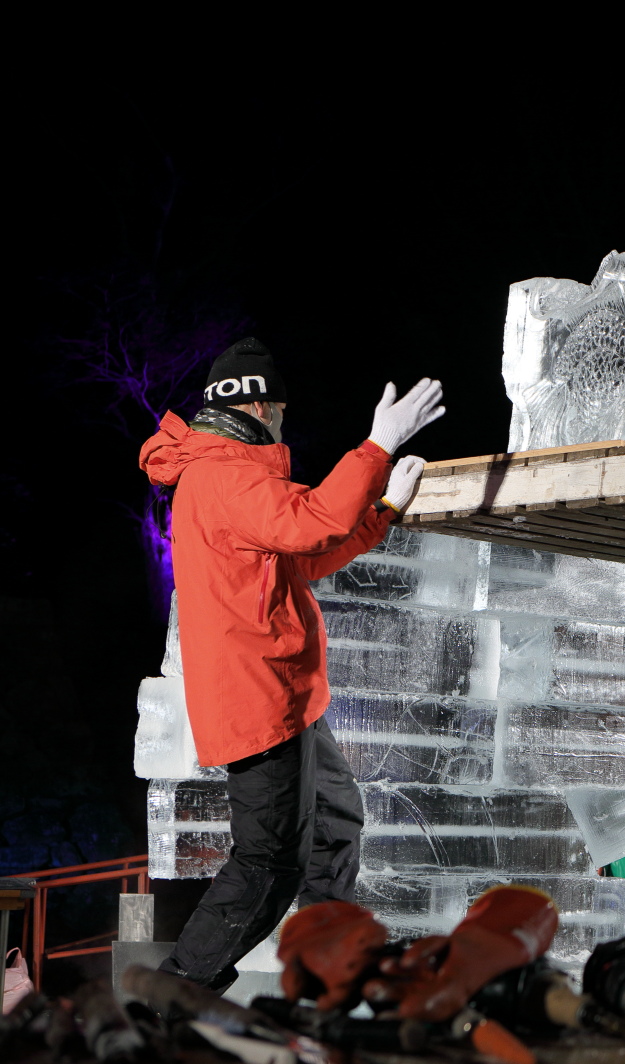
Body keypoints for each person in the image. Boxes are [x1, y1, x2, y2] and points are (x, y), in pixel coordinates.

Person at [137, 337, 445, 991]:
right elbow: (314, 523)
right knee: (268, 863)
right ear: (258, 406)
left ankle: (326, 967)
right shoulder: (225, 475)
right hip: (257, 700)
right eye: (279, 410)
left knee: (335, 822)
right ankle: (174, 996)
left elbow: (305, 558)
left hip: (287, 693)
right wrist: (377, 447)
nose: (283, 422)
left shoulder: (233, 474)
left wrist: (383, 511)